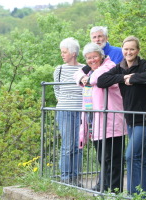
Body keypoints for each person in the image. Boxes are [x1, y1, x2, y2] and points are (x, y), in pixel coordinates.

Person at [97, 36, 146, 198]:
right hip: (130, 119)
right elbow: (102, 80)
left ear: (137, 51)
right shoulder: (120, 67)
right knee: (143, 158)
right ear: (122, 50)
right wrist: (123, 78)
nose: (129, 52)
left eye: (132, 49)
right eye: (126, 49)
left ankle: (133, 195)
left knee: (131, 156)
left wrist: (134, 78)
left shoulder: (143, 64)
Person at [74, 43, 126, 192]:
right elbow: (76, 74)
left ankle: (115, 190)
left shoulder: (109, 66)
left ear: (101, 56)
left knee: (114, 158)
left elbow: (97, 77)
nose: (92, 60)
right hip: (96, 122)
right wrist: (82, 76)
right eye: (89, 58)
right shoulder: (91, 70)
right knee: (102, 158)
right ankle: (103, 186)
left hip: (112, 119)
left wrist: (86, 78)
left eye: (94, 57)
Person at [53, 37, 84, 186]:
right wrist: (62, 100)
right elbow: (56, 88)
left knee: (79, 145)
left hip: (81, 111)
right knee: (67, 145)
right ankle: (65, 178)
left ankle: (76, 177)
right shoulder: (59, 69)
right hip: (65, 111)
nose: (62, 55)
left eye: (64, 52)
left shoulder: (84, 68)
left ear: (73, 53)